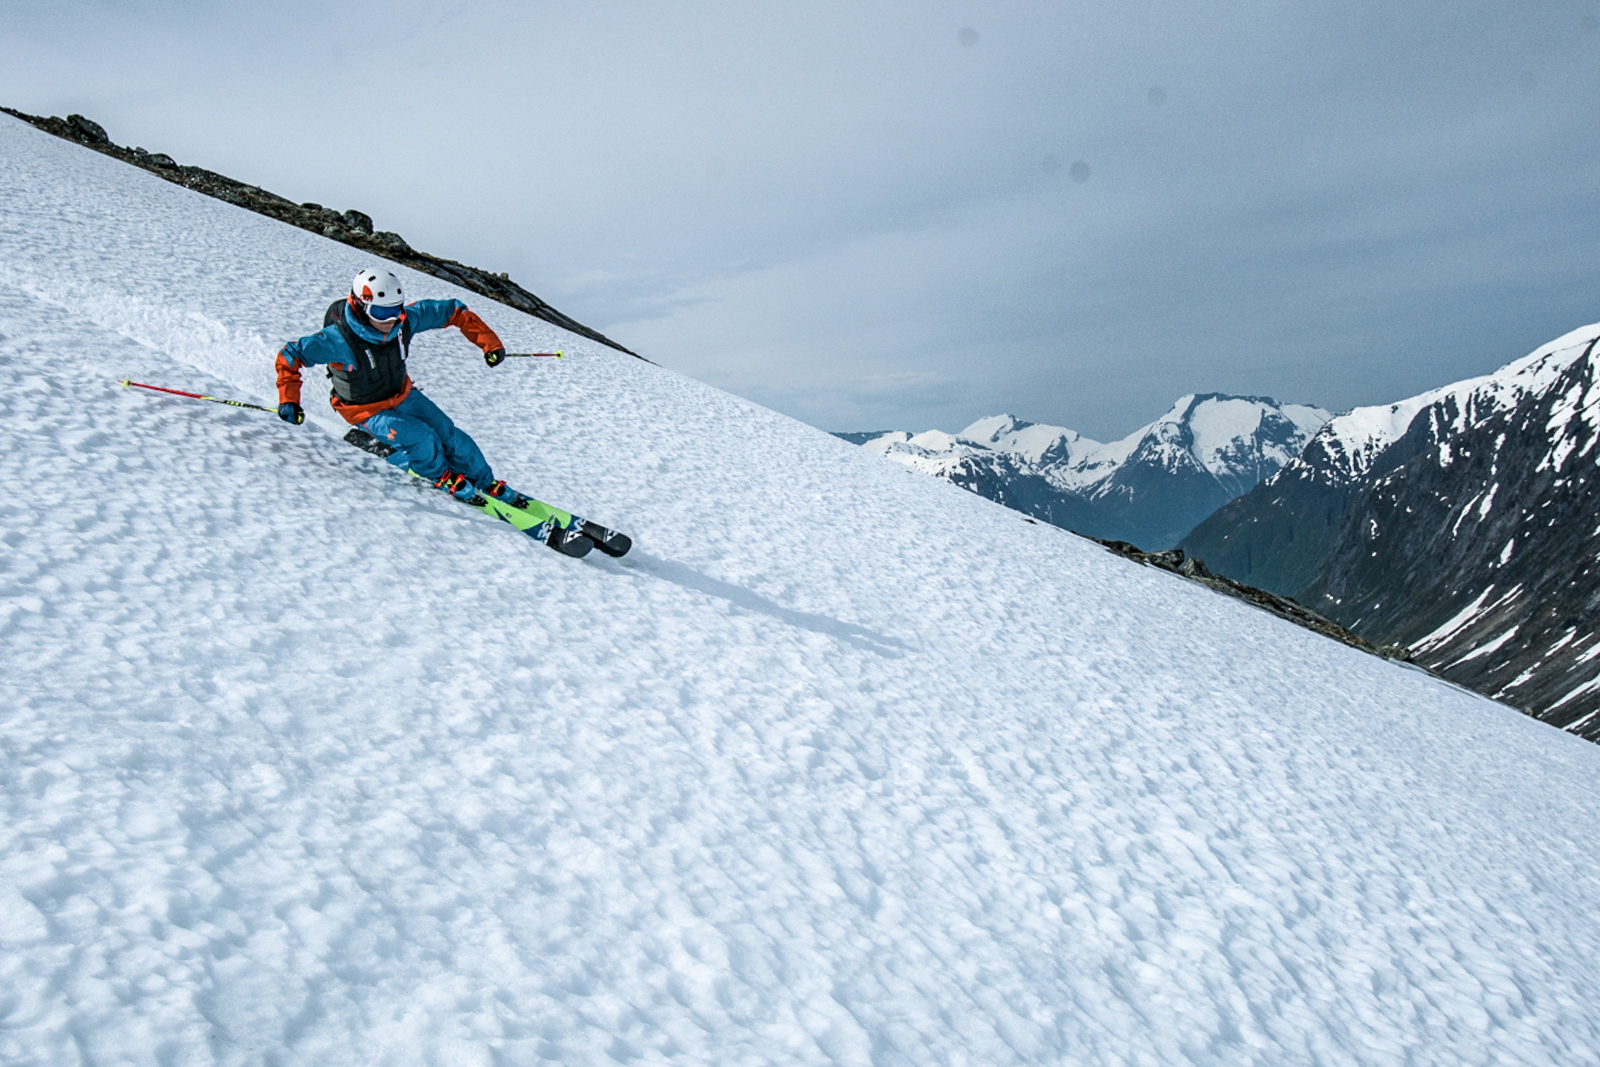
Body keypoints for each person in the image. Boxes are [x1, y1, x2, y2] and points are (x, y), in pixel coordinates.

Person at [274, 268, 528, 506]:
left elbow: (453, 311)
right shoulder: (339, 339)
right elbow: (291, 355)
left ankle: (484, 481)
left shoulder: (403, 322)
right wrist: (289, 400)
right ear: (361, 307)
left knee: (449, 434)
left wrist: (490, 343)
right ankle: (439, 475)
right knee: (422, 437)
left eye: (395, 309)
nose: (391, 319)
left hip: (402, 395)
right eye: (381, 313)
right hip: (365, 410)